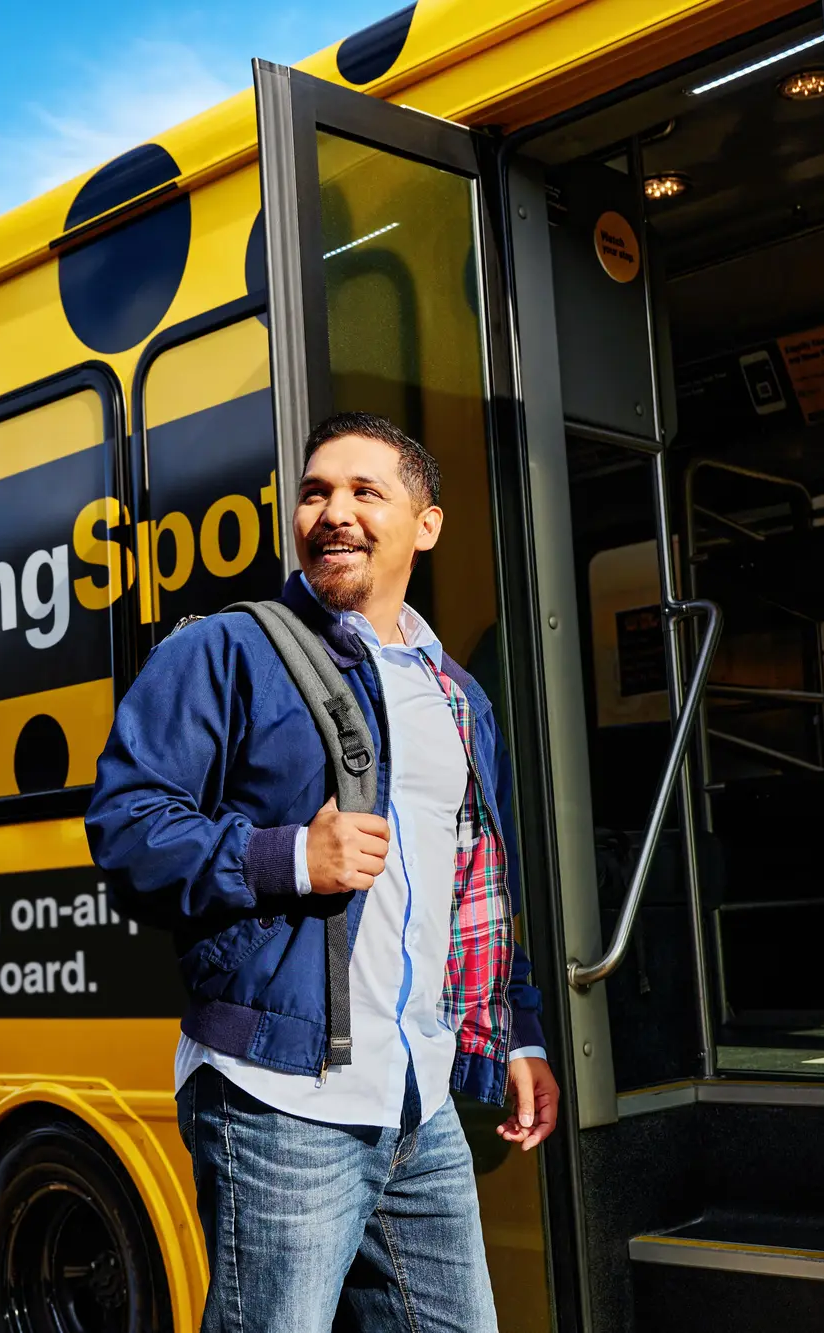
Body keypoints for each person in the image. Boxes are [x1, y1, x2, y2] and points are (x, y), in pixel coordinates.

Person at [86, 411, 559, 1332]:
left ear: (425, 524)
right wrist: (292, 855)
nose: (332, 511)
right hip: (278, 1100)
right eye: (314, 492)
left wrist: (522, 1032)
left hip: (419, 1104)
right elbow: (126, 829)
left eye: (364, 491)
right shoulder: (223, 651)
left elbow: (474, 883)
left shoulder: (456, 695)